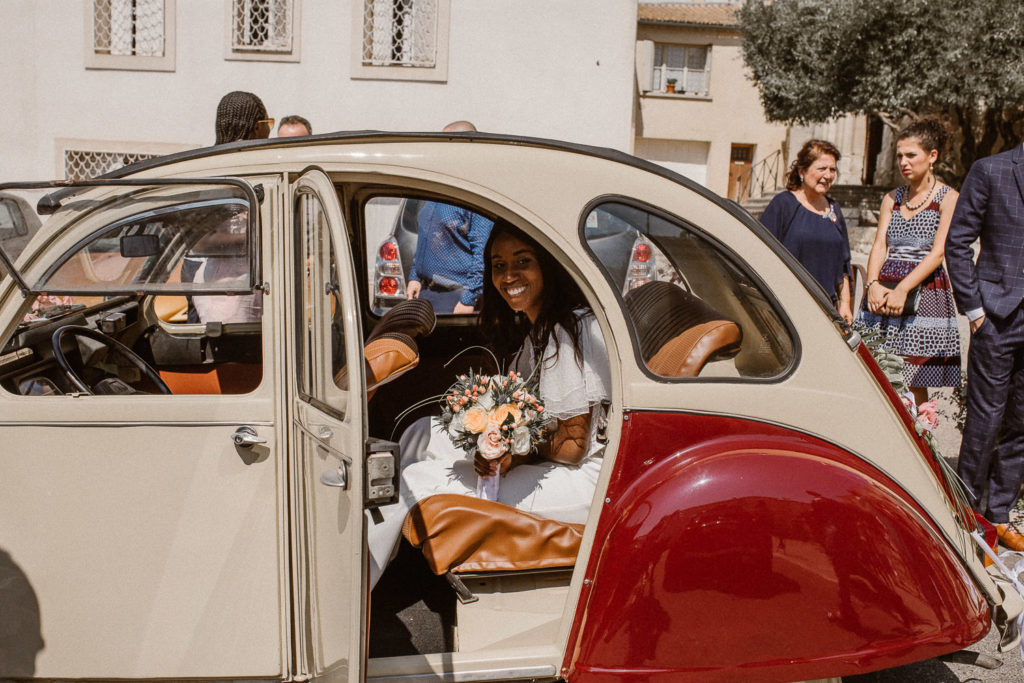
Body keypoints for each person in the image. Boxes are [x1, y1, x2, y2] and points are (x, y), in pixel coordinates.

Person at [367, 221, 611, 587]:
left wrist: (509, 448)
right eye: (499, 265)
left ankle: (352, 596)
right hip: (554, 460)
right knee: (422, 432)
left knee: (410, 480)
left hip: (586, 481)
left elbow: (573, 446)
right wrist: (492, 436)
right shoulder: (539, 331)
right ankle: (395, 558)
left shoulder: (567, 331)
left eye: (522, 261)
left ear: (547, 265)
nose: (509, 275)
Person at [946, 139, 1024, 548]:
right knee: (984, 419)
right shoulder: (991, 170)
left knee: (1022, 424)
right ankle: (969, 518)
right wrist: (975, 309)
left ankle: (1000, 515)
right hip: (995, 316)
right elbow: (958, 242)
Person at [854, 119, 961, 406]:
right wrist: (872, 284)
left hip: (924, 291)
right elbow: (880, 245)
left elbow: (938, 252)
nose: (903, 161)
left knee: (914, 376)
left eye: (911, 155)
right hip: (885, 286)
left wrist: (903, 289)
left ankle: (918, 441)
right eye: (900, 155)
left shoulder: (949, 198)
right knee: (877, 368)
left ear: (932, 156)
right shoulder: (892, 198)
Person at [185, 91, 271, 322]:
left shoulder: (255, 167)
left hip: (248, 280)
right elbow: (200, 242)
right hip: (226, 286)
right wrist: (256, 240)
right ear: (255, 128)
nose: (269, 131)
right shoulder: (218, 175)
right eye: (267, 123)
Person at [760, 140, 853, 323]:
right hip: (786, 310)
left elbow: (844, 264)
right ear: (802, 171)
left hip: (827, 311)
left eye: (832, 170)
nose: (828, 175)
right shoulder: (783, 205)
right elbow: (762, 255)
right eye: (822, 168)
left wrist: (845, 303)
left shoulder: (834, 209)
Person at [405, 121, 493, 314]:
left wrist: (469, 300)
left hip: (457, 298)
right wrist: (415, 277)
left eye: (445, 142)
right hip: (428, 293)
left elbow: (483, 254)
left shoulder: (474, 192)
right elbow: (425, 238)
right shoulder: (438, 187)